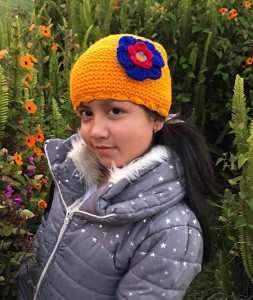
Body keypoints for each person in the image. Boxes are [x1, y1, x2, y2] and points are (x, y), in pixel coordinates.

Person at [17, 34, 219, 300]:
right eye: (86, 113)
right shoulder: (74, 174)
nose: (96, 131)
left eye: (114, 111)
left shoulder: (171, 231)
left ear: (156, 118)